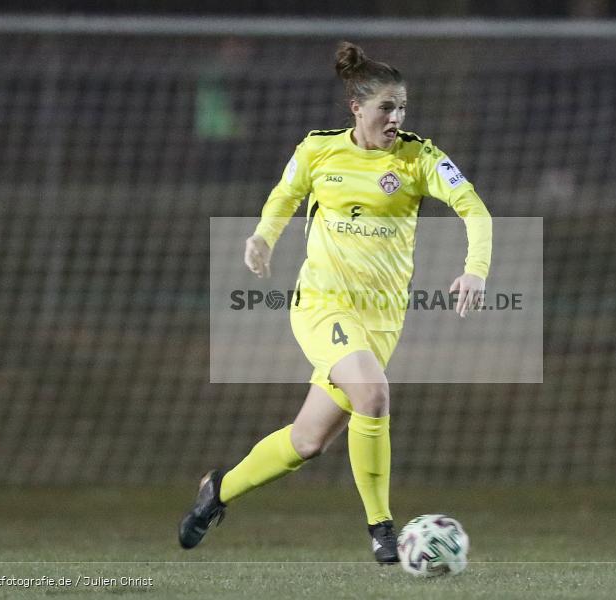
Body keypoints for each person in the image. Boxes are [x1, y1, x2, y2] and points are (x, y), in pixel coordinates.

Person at [179, 41, 492, 564]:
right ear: (357, 108)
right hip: (322, 304)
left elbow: (474, 209)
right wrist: (263, 238)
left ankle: (218, 491)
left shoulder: (419, 158)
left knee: (307, 442)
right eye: (386, 108)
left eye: (402, 108)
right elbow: (285, 194)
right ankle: (382, 528)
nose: (396, 118)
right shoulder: (318, 150)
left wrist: (475, 270)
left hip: (382, 321)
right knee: (373, 393)